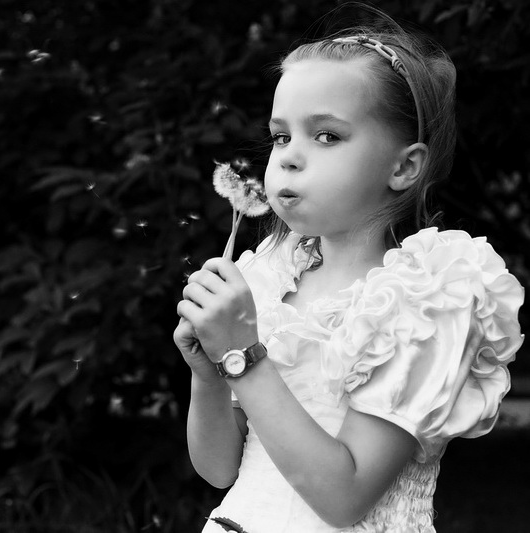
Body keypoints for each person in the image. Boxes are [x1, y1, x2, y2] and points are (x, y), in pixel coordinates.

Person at [174, 7, 525, 532]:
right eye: (279, 136)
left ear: (403, 167)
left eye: (327, 136)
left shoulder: (428, 299)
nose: (289, 158)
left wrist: (243, 354)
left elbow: (345, 499)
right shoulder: (269, 278)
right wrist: (209, 370)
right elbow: (219, 470)